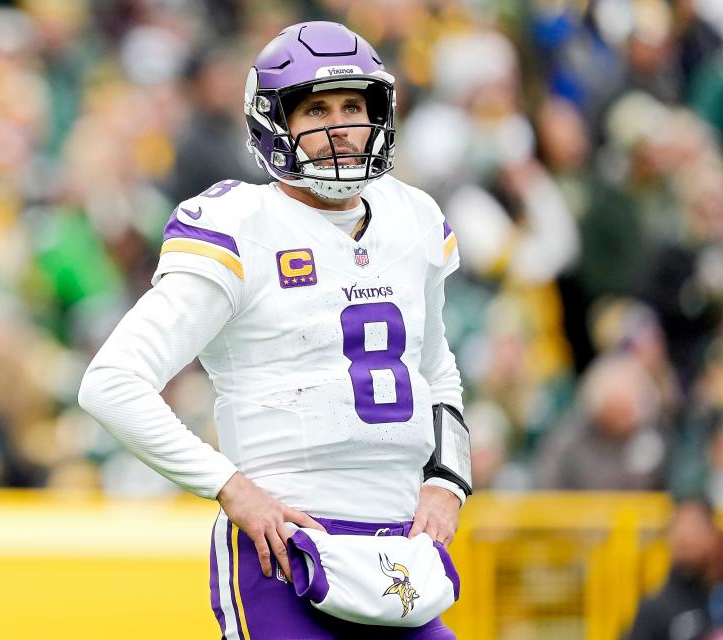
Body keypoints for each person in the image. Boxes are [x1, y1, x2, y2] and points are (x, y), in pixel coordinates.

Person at [79, 21, 470, 639]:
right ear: (275, 123)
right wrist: (230, 489)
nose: (340, 124)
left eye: (353, 106)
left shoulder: (413, 216)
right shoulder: (240, 223)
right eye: (316, 108)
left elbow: (436, 368)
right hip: (286, 549)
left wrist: (447, 482)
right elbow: (111, 382)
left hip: (400, 552)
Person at [625, 497, 721, 640]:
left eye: (695, 526)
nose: (686, 537)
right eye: (679, 526)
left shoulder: (716, 598)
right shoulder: (655, 609)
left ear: (715, 535)